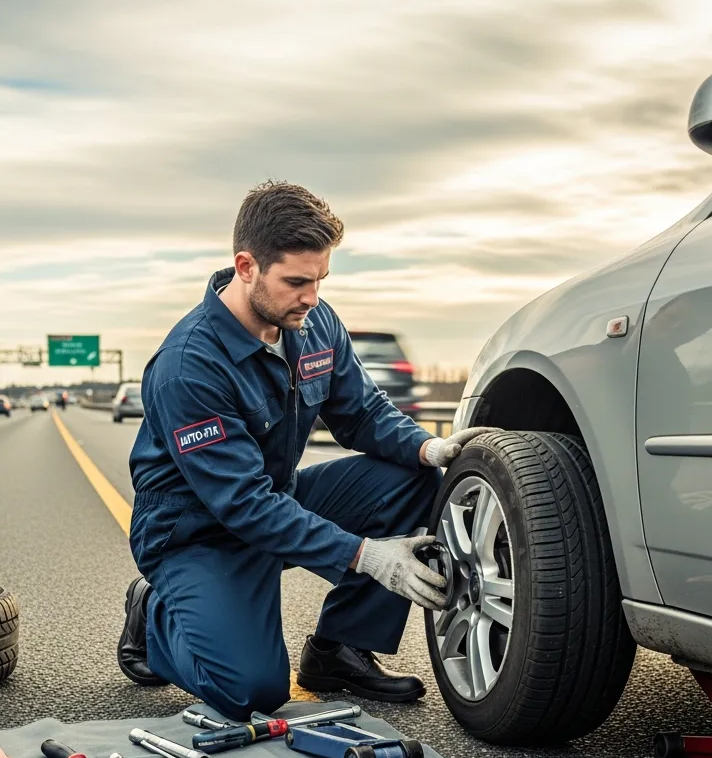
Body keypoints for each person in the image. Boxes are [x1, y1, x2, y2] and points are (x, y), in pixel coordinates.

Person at [119, 181, 489, 721]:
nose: (311, 297)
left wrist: (428, 446)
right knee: (251, 693)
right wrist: (369, 556)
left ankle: (339, 649)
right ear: (246, 267)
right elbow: (241, 505)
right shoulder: (188, 366)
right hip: (197, 534)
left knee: (414, 478)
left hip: (278, 498)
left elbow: (361, 412)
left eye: (320, 280)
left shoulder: (312, 321)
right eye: (296, 282)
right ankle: (153, 611)